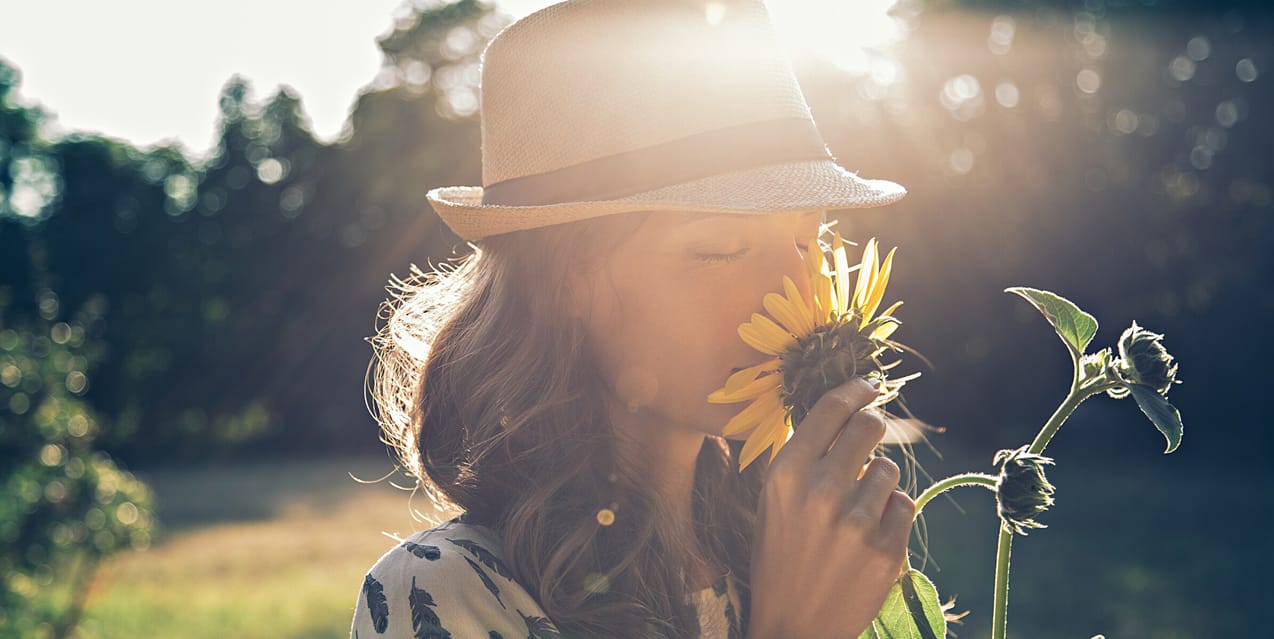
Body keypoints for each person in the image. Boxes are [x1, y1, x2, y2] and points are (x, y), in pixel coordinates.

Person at [352, 1, 916, 637]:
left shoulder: (799, 548)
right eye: (719, 250)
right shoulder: (447, 594)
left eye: (808, 243)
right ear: (565, 280)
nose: (796, 291)